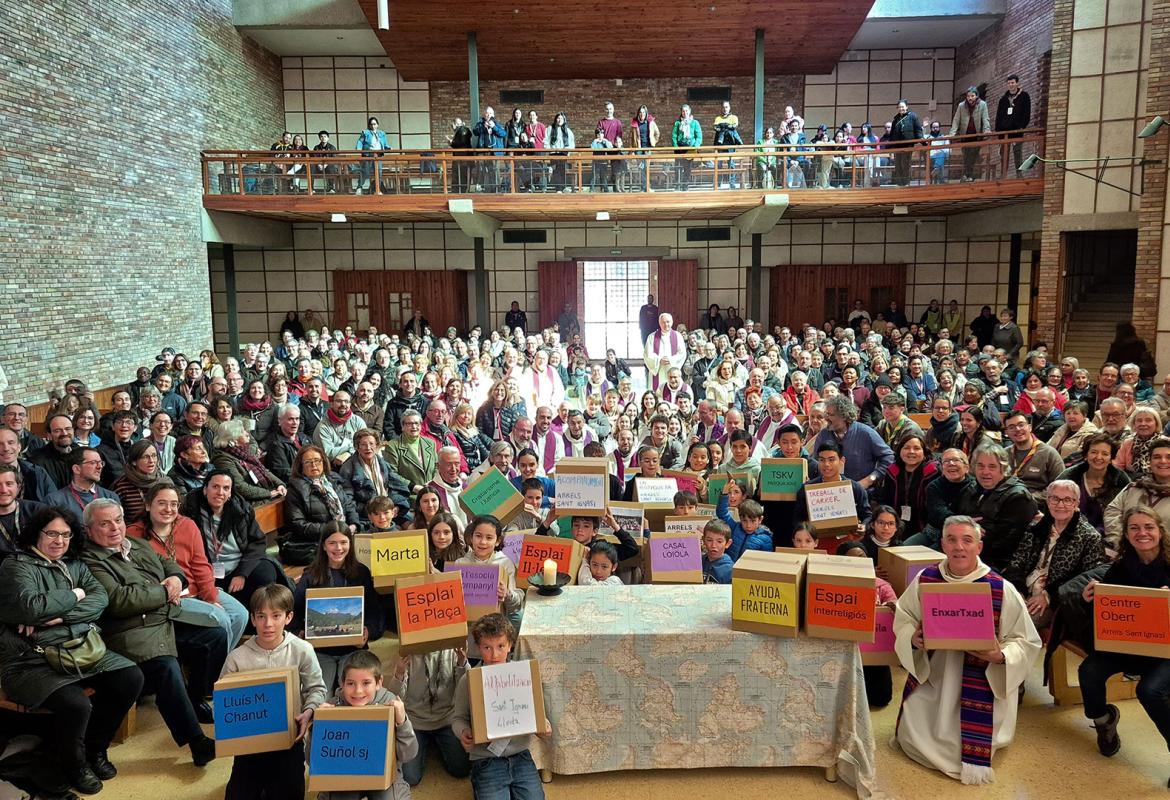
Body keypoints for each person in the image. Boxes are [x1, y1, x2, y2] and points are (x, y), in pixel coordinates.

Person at [0, 505, 144, 794]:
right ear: (36, 534)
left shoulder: (75, 564)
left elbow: (100, 599)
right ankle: (74, 765)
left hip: (80, 648)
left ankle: (95, 750)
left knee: (131, 678)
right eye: (52, 534)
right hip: (31, 659)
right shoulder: (16, 566)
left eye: (66, 535)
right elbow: (32, 608)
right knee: (76, 704)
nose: (60, 541)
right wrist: (76, 594)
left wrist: (61, 617)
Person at [893, 515, 1041, 783]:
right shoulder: (926, 578)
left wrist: (1001, 656)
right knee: (914, 725)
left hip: (981, 680)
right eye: (951, 540)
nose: (959, 547)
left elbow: (1026, 641)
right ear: (943, 545)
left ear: (979, 547)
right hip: (936, 674)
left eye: (967, 540)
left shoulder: (1000, 588)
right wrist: (912, 638)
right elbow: (904, 618)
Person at [80, 499, 218, 766]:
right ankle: (196, 741)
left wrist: (176, 579)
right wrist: (165, 592)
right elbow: (121, 600)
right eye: (105, 523)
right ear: (89, 529)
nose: (115, 528)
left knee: (214, 636)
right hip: (131, 631)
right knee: (165, 665)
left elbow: (170, 565)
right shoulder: (89, 559)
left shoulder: (136, 544)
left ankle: (194, 700)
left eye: (118, 520)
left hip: (162, 618)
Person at [1077, 506, 1170, 778]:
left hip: (1165, 649)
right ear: (1126, 535)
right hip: (1128, 645)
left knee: (1150, 691)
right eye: (1134, 528)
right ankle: (1104, 721)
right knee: (1089, 671)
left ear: (1160, 531)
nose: (1142, 533)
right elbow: (1105, 617)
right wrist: (1090, 600)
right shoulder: (1120, 568)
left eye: (1148, 527)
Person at [221, 583, 327, 800]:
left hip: (289, 740)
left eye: (276, 616)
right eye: (261, 616)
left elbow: (317, 688)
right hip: (249, 745)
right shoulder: (236, 658)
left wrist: (309, 711)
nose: (268, 624)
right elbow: (224, 704)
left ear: (289, 617)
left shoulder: (302, 650)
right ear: (252, 619)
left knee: (289, 793)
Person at [452, 614, 552, 798]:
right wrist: (464, 731)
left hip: (520, 756)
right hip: (486, 759)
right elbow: (458, 718)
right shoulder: (469, 679)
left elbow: (533, 710)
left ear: (510, 645)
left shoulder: (523, 675)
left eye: (500, 646)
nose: (494, 655)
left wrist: (542, 724)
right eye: (487, 647)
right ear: (478, 648)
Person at [309, 650, 418, 800]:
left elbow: (409, 754)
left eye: (366, 683)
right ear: (342, 683)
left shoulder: (391, 704)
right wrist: (317, 728)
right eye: (350, 683)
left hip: (383, 774)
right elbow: (311, 761)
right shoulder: (333, 706)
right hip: (345, 774)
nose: (358, 691)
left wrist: (402, 722)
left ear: (378, 683)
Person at [1003, 479, 1107, 628]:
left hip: (1055, 600)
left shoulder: (1090, 537)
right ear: (1047, 501)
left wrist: (1048, 596)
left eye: (1067, 500)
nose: (1060, 505)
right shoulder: (1036, 528)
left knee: (1019, 625)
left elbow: (1084, 580)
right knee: (994, 613)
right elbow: (1017, 561)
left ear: (1076, 503)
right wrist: (1017, 590)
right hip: (1022, 591)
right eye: (1055, 498)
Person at [291, 522, 383, 690]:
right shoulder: (310, 575)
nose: (338, 548)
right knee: (320, 695)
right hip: (320, 651)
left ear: (350, 544)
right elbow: (294, 613)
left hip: (353, 650)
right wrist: (300, 633)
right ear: (324, 546)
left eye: (343, 542)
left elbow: (374, 612)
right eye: (332, 543)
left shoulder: (361, 573)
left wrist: (368, 631)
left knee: (353, 693)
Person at [181, 469, 288, 611]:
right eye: (215, 487)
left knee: (265, 572)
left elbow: (257, 542)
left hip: (239, 566)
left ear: (230, 493)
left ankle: (258, 616)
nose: (220, 492)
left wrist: (242, 574)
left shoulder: (241, 510)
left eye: (226, 488)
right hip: (208, 570)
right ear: (205, 489)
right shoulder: (191, 512)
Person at [389, 645, 472, 787]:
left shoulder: (452, 650)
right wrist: (399, 673)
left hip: (446, 719)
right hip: (416, 722)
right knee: (410, 777)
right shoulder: (408, 654)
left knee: (462, 769)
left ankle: (435, 744)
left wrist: (462, 663)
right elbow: (394, 697)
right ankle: (427, 744)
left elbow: (465, 687)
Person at [955, 443, 1038, 571]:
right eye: (980, 466)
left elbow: (1006, 544)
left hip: (999, 563)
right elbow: (957, 519)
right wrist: (966, 527)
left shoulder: (1018, 497)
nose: (985, 472)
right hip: (969, 552)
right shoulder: (971, 488)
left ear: (1002, 468)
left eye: (992, 466)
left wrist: (970, 532)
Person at [283, 445, 360, 566]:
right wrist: (331, 530)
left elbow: (348, 505)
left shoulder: (332, 480)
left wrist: (353, 525)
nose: (314, 465)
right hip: (318, 543)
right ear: (300, 466)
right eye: (308, 462)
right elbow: (297, 524)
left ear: (323, 462)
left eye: (317, 461)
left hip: (345, 535)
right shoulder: (296, 490)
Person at [814, 394, 895, 489]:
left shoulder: (866, 433)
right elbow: (815, 462)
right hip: (831, 492)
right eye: (826, 414)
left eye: (830, 415)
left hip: (863, 493)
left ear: (844, 416)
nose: (826, 418)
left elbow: (889, 458)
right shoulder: (823, 435)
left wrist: (870, 479)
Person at [1104, 436, 1170, 552]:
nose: (1163, 461)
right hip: (1126, 551)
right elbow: (1112, 512)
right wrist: (1124, 541)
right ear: (1149, 462)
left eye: (1169, 457)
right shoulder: (1133, 488)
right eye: (1157, 457)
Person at [1058, 433, 1131, 535]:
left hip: (1109, 535)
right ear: (1086, 455)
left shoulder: (1121, 480)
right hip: (1069, 533)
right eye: (1094, 452)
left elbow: (1127, 513)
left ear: (1111, 458)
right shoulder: (1069, 477)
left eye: (1105, 454)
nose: (1098, 457)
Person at [211, 419, 286, 505]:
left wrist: (280, 484)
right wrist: (269, 493)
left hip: (263, 493)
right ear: (234, 439)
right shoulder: (223, 460)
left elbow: (264, 471)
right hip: (248, 502)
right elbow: (239, 487)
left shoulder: (245, 452)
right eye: (242, 431)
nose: (247, 433)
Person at [1002, 410, 1064, 503]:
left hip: (1038, 503)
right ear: (1006, 432)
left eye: (1021, 425)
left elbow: (1060, 485)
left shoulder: (1049, 453)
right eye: (1011, 427)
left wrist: (1031, 498)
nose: (1017, 429)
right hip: (1008, 500)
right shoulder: (1003, 454)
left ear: (1030, 427)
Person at [43, 446, 120, 517]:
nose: (99, 466)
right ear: (76, 469)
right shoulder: (55, 500)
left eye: (101, 463)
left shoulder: (111, 497)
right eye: (93, 462)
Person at [948, 86, 992, 182]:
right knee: (966, 156)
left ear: (976, 96)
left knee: (973, 155)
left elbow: (985, 119)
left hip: (976, 135)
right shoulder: (961, 106)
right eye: (968, 96)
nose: (970, 98)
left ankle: (969, 175)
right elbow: (956, 120)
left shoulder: (982, 105)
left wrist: (987, 130)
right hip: (965, 135)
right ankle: (966, 175)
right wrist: (952, 133)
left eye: (972, 96)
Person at [995, 74, 1032, 173]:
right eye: (1009, 83)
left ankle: (1019, 175)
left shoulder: (1024, 96)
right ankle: (1003, 175)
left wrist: (1022, 126)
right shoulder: (1003, 99)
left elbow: (1027, 113)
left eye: (1012, 83)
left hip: (1017, 130)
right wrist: (998, 130)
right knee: (1004, 155)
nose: (1010, 85)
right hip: (1004, 132)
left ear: (1017, 83)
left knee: (1018, 153)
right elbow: (999, 116)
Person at [644, 312, 687, 394]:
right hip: (658, 370)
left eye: (668, 322)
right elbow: (647, 355)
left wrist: (670, 359)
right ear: (659, 323)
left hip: (671, 368)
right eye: (663, 322)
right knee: (657, 394)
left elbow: (682, 354)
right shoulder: (652, 337)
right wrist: (659, 360)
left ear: (672, 322)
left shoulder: (678, 336)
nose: (666, 324)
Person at [888, 100, 924, 186]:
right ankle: (899, 183)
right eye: (899, 107)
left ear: (907, 107)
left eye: (902, 107)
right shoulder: (895, 119)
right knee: (898, 165)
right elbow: (892, 134)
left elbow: (918, 129)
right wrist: (890, 147)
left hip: (908, 145)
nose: (901, 108)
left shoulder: (913, 116)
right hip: (897, 146)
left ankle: (906, 183)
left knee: (905, 164)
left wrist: (921, 140)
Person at [671, 104, 702, 188]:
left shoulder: (695, 123)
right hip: (679, 148)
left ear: (690, 111)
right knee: (678, 167)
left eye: (686, 111)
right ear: (681, 112)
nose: (685, 113)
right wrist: (676, 147)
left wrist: (695, 147)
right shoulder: (678, 123)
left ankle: (685, 185)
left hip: (690, 148)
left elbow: (699, 137)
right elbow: (674, 136)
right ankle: (677, 185)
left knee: (687, 168)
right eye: (683, 111)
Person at [355, 116, 389, 194]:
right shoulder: (365, 132)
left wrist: (388, 147)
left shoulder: (381, 133)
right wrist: (359, 148)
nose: (373, 126)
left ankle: (378, 189)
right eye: (371, 124)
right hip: (368, 154)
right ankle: (359, 187)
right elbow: (360, 141)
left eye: (374, 124)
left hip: (378, 155)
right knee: (365, 172)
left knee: (379, 172)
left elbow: (385, 143)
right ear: (369, 125)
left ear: (377, 125)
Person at [701, 519, 734, 584]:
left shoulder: (730, 570)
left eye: (719, 541)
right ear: (704, 540)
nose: (713, 545)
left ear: (728, 543)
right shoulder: (699, 561)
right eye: (709, 540)